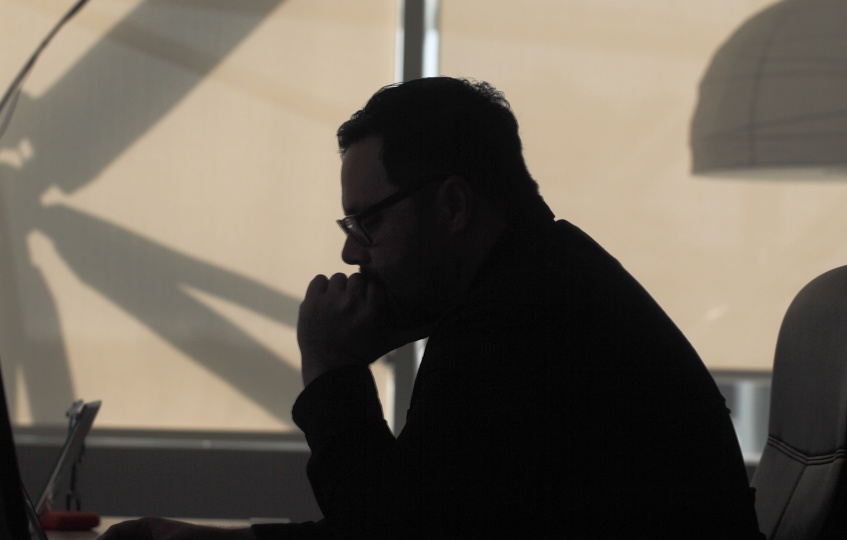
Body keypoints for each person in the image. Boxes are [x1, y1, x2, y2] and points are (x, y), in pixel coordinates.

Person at [102, 77, 762, 539]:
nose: (353, 254)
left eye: (368, 223)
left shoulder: (515, 324)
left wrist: (331, 371)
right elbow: (427, 518)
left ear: (451, 205)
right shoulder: (538, 280)